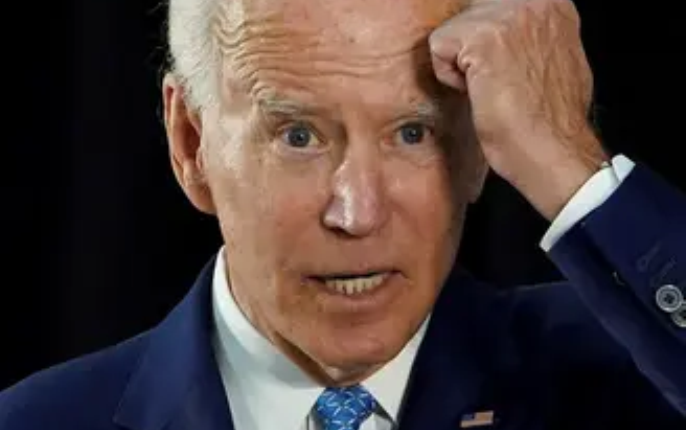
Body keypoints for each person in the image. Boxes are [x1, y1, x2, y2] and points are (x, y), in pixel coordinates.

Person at [1, 0, 684, 428]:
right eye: (299, 136)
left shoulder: (626, 370)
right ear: (190, 143)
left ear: (478, 149)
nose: (357, 213)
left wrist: (566, 163)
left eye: (412, 133)